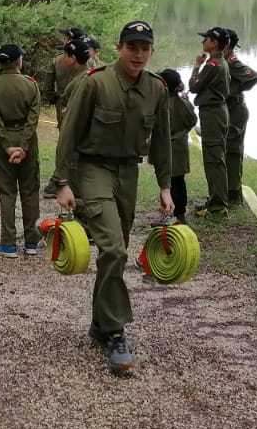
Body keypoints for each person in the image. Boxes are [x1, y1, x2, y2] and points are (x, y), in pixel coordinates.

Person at [53, 19, 172, 377]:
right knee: (115, 248)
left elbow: (162, 141)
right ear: (119, 48)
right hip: (93, 169)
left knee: (113, 253)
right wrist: (62, 182)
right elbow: (69, 134)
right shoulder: (95, 82)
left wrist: (165, 185)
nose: (138, 54)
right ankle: (117, 332)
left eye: (145, 48)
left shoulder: (157, 88)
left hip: (128, 173)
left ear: (151, 51)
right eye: (132, 47)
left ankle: (99, 324)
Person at [0, 44, 42, 258]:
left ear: (0, 61)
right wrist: (24, 146)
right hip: (28, 142)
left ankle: (8, 244)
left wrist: (8, 146)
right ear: (19, 61)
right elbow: (33, 120)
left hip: (4, 143)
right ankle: (32, 241)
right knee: (30, 191)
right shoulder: (31, 85)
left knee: (7, 192)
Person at [188, 26, 233, 212]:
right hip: (215, 112)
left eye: (206, 39)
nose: (202, 41)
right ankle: (216, 199)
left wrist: (196, 66)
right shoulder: (219, 62)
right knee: (214, 158)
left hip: (213, 114)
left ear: (214, 43)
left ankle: (218, 205)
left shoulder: (213, 65)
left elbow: (193, 86)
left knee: (214, 159)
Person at [41, 32, 90, 196]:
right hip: (77, 109)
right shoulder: (91, 64)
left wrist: (52, 98)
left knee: (66, 143)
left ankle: (59, 180)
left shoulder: (58, 60)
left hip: (64, 107)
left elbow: (48, 85)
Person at [223, 27, 257, 199]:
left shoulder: (232, 62)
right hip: (228, 109)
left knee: (233, 151)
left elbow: (254, 76)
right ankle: (228, 190)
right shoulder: (223, 61)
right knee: (226, 150)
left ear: (226, 45)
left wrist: (234, 90)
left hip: (236, 111)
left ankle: (233, 192)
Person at [159, 67, 195, 224]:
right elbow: (192, 120)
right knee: (179, 181)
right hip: (180, 147)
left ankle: (171, 212)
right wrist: (186, 101)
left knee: (168, 182)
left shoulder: (161, 104)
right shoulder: (183, 103)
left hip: (166, 147)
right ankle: (180, 212)